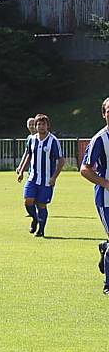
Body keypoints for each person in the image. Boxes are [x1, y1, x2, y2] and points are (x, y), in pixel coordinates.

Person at [16, 113, 64, 238]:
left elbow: (61, 160)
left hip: (46, 180)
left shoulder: (53, 141)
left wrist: (54, 177)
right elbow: (28, 155)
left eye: (44, 124)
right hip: (32, 178)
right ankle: (35, 219)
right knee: (28, 201)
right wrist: (21, 171)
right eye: (39, 124)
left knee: (41, 204)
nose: (41, 126)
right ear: (35, 126)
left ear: (48, 125)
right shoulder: (32, 139)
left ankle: (41, 230)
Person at [79, 96, 109, 295]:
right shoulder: (100, 139)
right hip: (106, 199)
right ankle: (108, 284)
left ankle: (106, 248)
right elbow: (85, 169)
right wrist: (107, 184)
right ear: (104, 114)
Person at [15, 117, 37, 202]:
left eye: (33, 124)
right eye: (30, 124)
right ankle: (31, 207)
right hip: (31, 168)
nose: (31, 126)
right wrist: (20, 166)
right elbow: (27, 153)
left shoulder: (41, 137)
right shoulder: (29, 138)